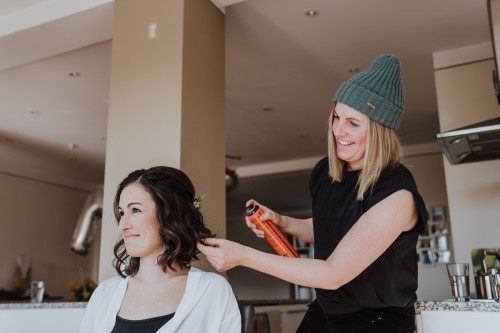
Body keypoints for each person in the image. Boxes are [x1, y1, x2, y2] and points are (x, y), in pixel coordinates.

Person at [198, 54, 428, 333]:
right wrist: (281, 221)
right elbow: (326, 230)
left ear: (380, 131)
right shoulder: (326, 172)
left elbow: (333, 274)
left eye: (353, 123)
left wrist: (242, 256)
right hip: (327, 309)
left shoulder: (397, 193)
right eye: (336, 116)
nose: (337, 131)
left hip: (377, 319)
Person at [79, 166, 241, 333]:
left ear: (170, 216)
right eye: (121, 213)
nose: (122, 225)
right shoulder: (105, 293)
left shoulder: (211, 290)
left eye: (135, 210)